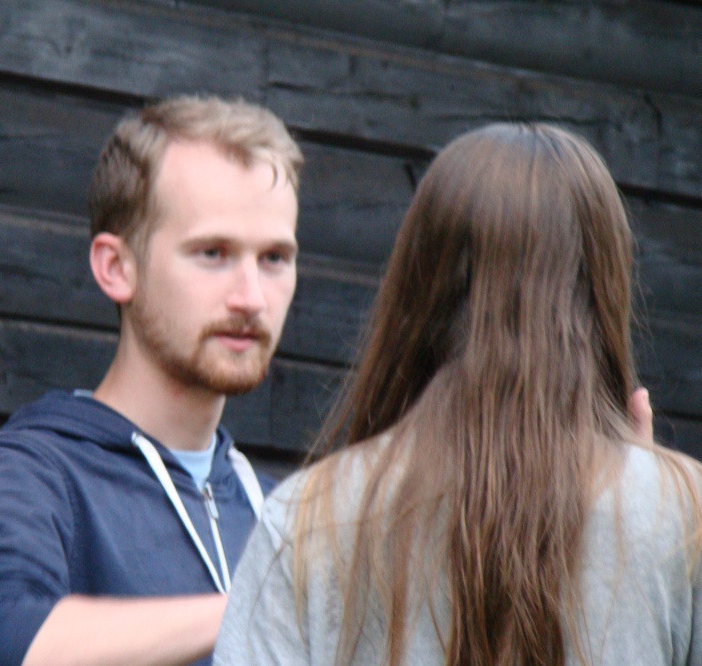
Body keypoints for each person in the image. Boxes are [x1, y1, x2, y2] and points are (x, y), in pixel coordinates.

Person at [214, 123, 702, 665]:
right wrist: (654, 503)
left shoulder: (308, 518)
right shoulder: (685, 517)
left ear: (420, 281)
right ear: (601, 283)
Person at [0, 95, 303, 665]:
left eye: (273, 258)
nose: (251, 297)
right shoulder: (34, 474)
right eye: (213, 252)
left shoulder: (280, 516)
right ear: (116, 267)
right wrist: (250, 610)